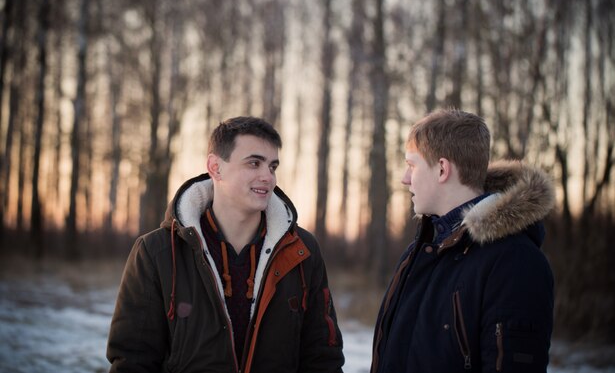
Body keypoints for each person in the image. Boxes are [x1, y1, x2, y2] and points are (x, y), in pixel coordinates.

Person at [107, 116, 344, 373]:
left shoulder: (301, 250)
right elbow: (132, 361)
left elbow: (322, 358)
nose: (268, 177)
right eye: (254, 163)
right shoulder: (156, 252)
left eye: (272, 166)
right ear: (215, 167)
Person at [370, 109, 555, 373]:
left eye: (412, 165)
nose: (404, 178)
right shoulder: (421, 251)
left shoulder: (516, 263)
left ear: (442, 169)